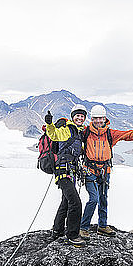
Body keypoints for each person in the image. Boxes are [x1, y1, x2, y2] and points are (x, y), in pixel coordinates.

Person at [79, 104, 133, 237]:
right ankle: (84, 227)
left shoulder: (110, 134)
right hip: (90, 170)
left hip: (105, 171)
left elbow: (127, 135)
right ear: (92, 119)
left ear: (105, 118)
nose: (99, 121)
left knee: (103, 199)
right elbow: (71, 133)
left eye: (101, 118)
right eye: (96, 119)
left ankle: (102, 226)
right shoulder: (85, 132)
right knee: (94, 199)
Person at [45, 104, 89, 247]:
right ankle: (72, 235)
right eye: (77, 115)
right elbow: (54, 134)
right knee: (75, 202)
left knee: (66, 202)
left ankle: (57, 230)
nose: (80, 118)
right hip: (64, 172)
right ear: (73, 117)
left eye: (82, 116)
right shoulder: (67, 129)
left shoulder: (78, 133)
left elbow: (79, 150)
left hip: (70, 172)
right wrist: (50, 124)